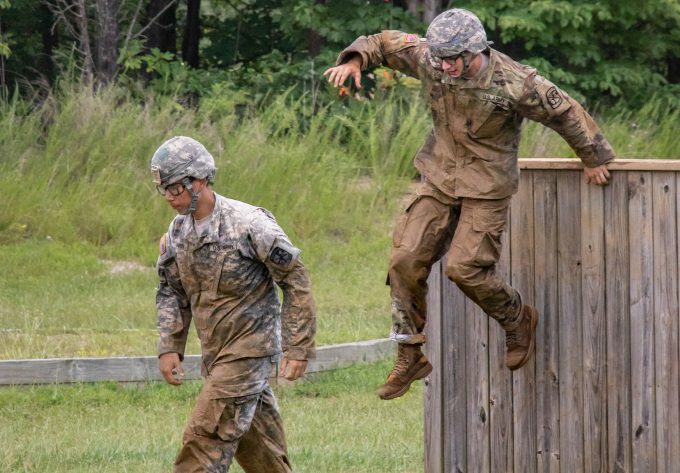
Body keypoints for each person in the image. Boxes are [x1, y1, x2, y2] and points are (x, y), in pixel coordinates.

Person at [324, 8, 615, 401]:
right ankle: (409, 353)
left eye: (452, 60)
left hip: (487, 186)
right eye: (439, 59)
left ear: (474, 50)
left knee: (465, 269)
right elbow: (382, 43)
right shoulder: (430, 57)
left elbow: (563, 111)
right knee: (403, 261)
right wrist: (355, 59)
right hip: (440, 175)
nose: (444, 67)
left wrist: (593, 157)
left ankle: (517, 319)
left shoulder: (515, 81)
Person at [151, 136, 316, 472]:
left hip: (250, 351)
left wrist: (299, 347)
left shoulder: (250, 224)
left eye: (175, 187)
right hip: (217, 354)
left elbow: (296, 280)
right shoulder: (178, 232)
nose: (169, 196)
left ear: (198, 180)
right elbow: (171, 289)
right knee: (264, 456)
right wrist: (170, 345)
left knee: (203, 441)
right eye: (163, 189)